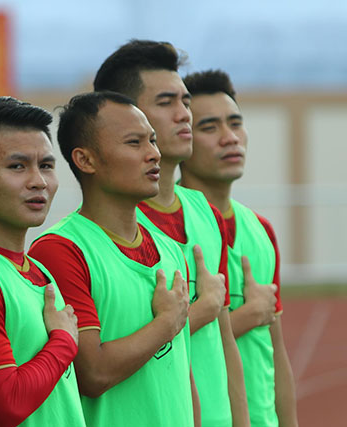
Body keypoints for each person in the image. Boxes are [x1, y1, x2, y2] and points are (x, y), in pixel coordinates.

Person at [93, 39, 249, 426]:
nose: (184, 115)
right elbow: (103, 362)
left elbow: (225, 341)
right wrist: (200, 309)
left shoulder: (203, 212)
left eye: (185, 102)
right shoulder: (108, 229)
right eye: (166, 103)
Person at [30, 91, 194, 426]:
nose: (153, 154)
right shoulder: (61, 250)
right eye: (134, 143)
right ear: (85, 160)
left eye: (152, 140)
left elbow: (178, 372)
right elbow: (93, 372)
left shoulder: (170, 249)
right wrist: (165, 323)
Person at [0, 96, 86, 426]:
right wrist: (64, 342)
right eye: (17, 166)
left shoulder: (37, 270)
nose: (38, 181)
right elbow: (6, 404)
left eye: (47, 166)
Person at [182, 69, 298, 426]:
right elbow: (157, 345)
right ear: (181, 137)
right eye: (209, 127)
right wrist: (247, 315)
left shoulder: (260, 229)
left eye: (235, 123)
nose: (230, 138)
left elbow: (276, 350)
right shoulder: (158, 227)